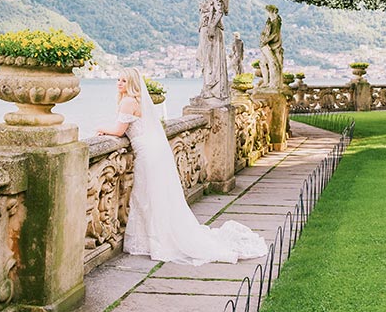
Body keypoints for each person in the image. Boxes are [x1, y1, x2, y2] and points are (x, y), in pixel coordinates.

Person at [95, 67, 267, 265]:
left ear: (132, 83)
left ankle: (153, 241)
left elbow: (118, 131)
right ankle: (153, 239)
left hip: (146, 153)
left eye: (124, 81)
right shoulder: (137, 100)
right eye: (118, 79)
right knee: (154, 195)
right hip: (153, 150)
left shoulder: (127, 101)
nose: (119, 83)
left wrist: (100, 128)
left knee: (147, 195)